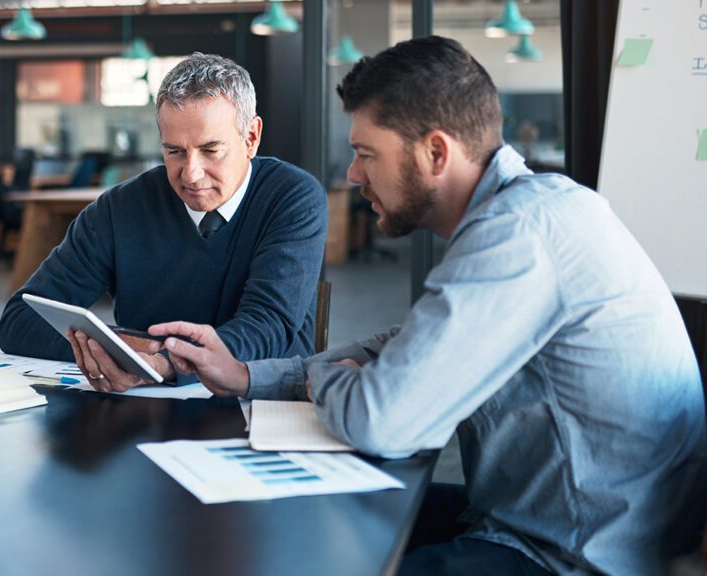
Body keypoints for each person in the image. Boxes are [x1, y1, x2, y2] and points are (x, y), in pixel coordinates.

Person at [130, 36, 705, 575]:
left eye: (365, 154)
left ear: (435, 152)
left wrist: (323, 378)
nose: (353, 175)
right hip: (543, 517)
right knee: (299, 523)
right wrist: (245, 374)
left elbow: (382, 421)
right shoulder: (529, 212)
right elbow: (408, 345)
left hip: (571, 552)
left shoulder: (519, 236)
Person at [0, 52, 327, 392]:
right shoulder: (118, 209)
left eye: (211, 149)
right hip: (144, 409)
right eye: (175, 151)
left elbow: (267, 325)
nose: (191, 173)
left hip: (261, 406)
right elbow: (19, 322)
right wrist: (120, 349)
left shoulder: (292, 198)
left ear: (251, 138)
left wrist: (163, 362)